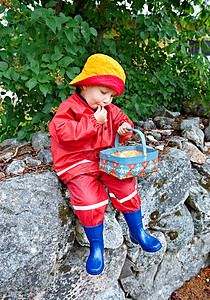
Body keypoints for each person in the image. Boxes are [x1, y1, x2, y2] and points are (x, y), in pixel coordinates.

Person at [49, 53, 162, 276]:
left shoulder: (109, 110)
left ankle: (137, 231)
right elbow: (63, 133)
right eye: (103, 92)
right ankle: (97, 245)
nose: (107, 100)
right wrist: (93, 121)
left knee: (127, 185)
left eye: (111, 95)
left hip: (105, 160)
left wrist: (124, 129)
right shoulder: (68, 108)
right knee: (88, 198)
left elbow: (122, 120)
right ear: (85, 85)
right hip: (77, 163)